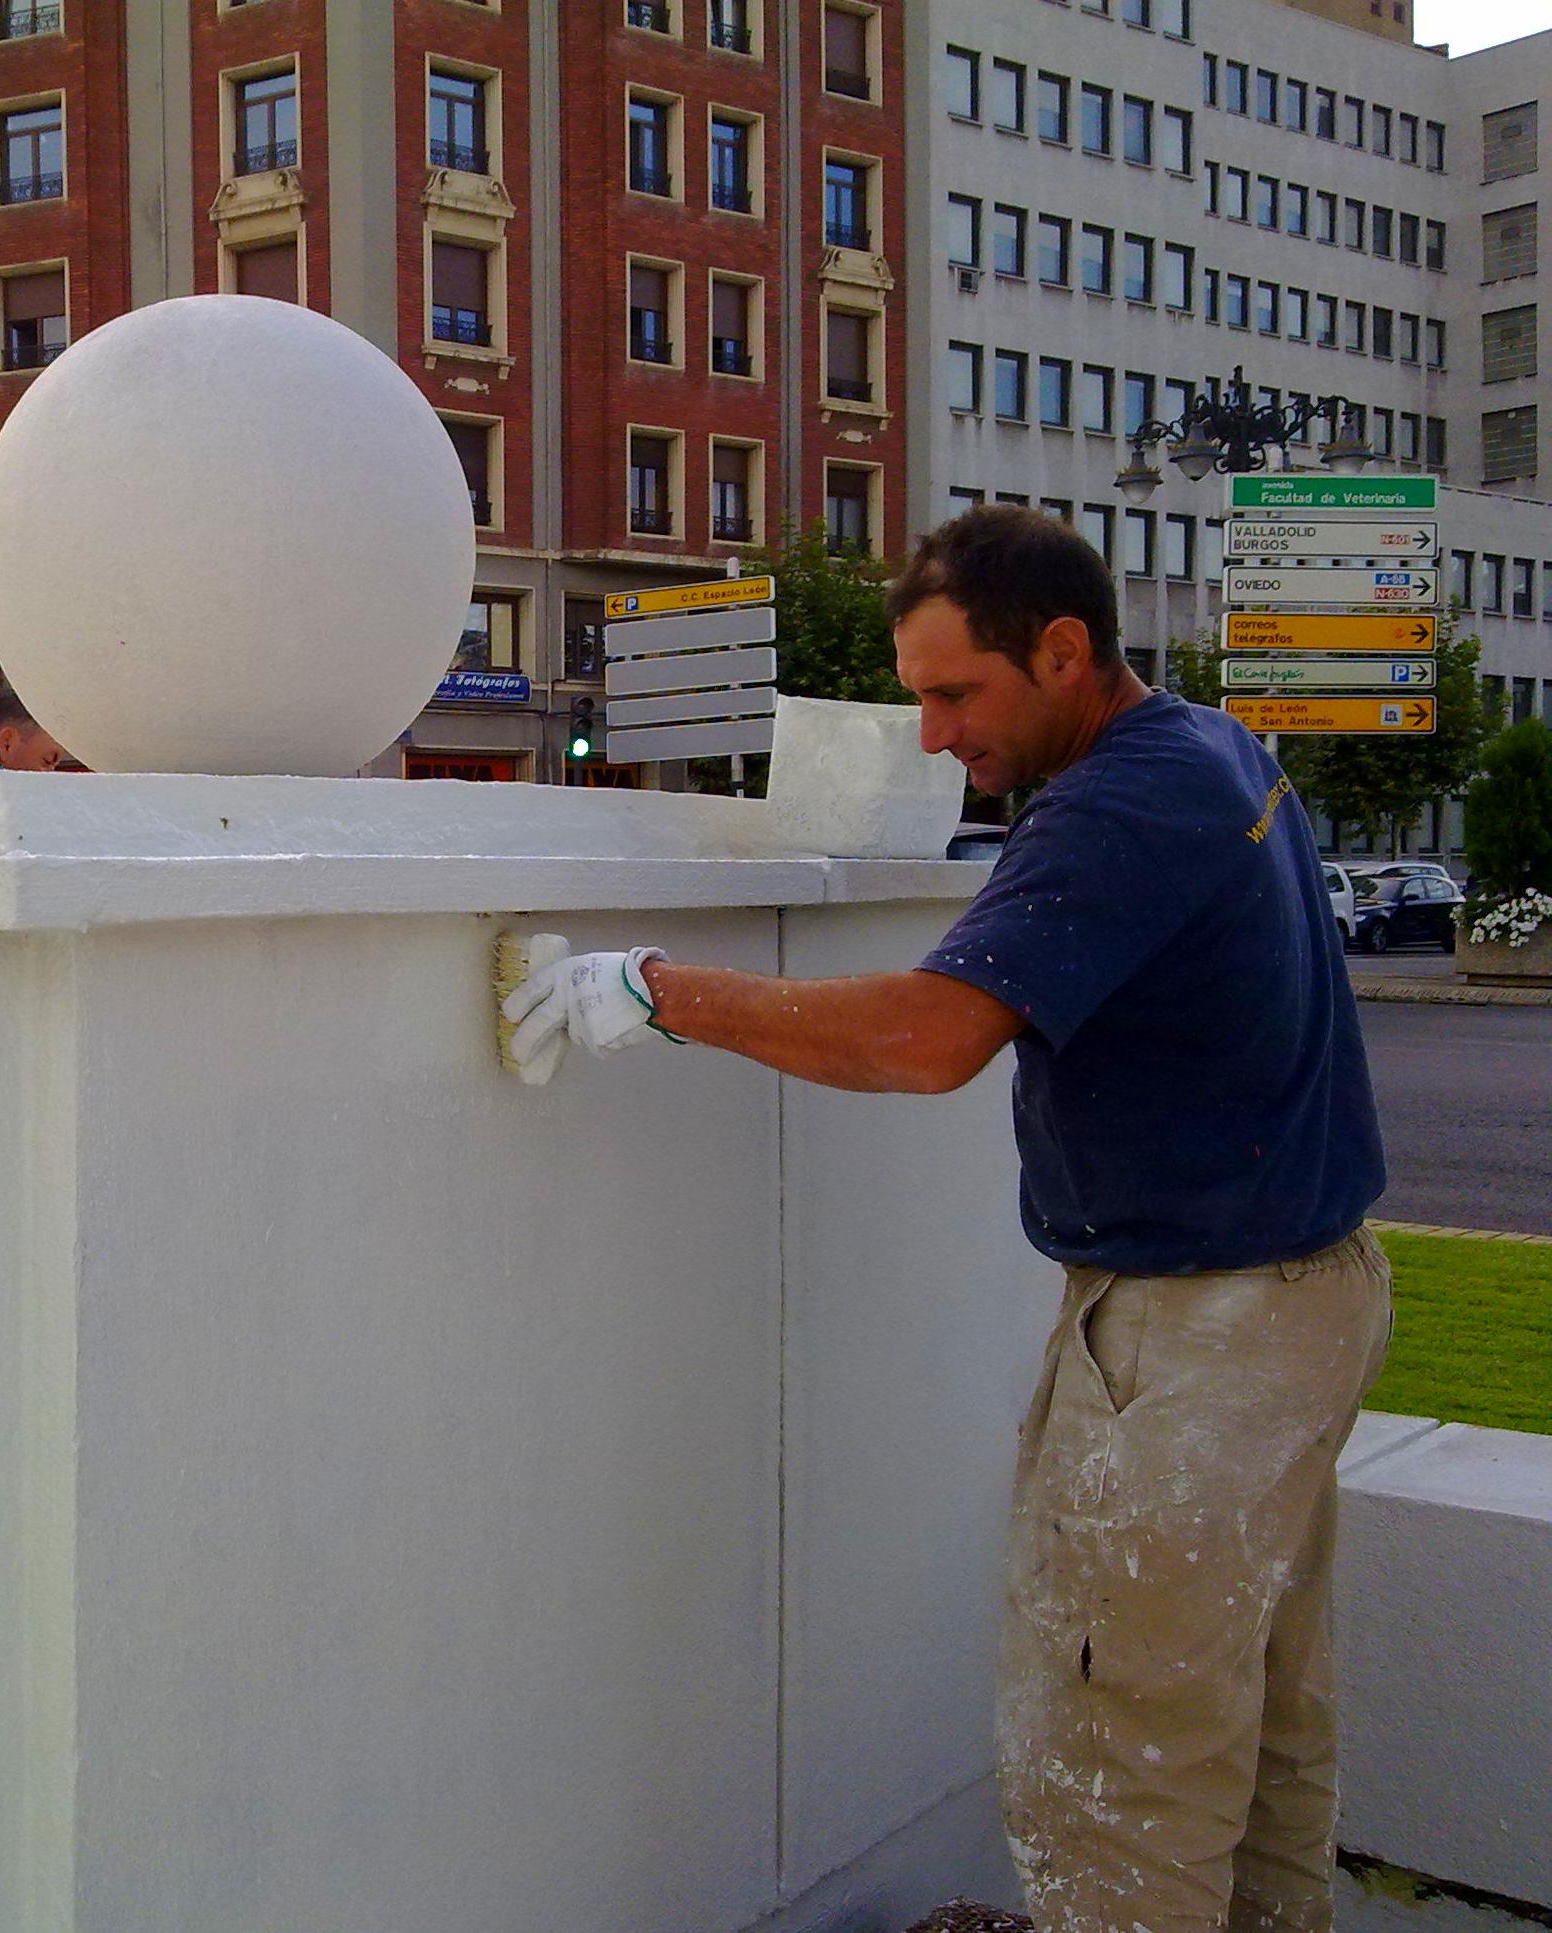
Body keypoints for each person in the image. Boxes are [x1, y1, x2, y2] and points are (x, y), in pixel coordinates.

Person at [504, 505, 1388, 1933]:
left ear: (1062, 650)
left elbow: (927, 1038)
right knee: (1256, 1719)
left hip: (1205, 1337)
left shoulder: (1117, 802)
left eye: (953, 695)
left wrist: (658, 991)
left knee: (1124, 1760)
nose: (931, 737)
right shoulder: (1207, 746)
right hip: (1301, 1298)